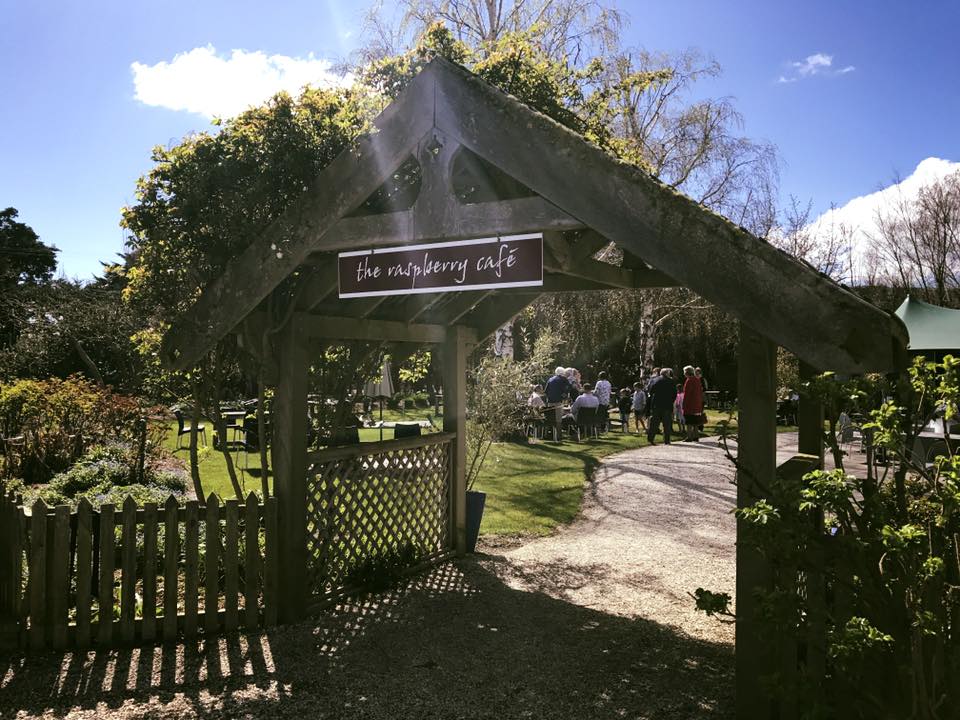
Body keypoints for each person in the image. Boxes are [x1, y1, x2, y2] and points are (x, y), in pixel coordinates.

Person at [646, 368, 677, 445]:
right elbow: (674, 394)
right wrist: (671, 401)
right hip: (667, 404)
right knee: (667, 423)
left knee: (654, 423)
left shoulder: (654, 380)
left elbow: (650, 391)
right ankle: (667, 440)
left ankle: (650, 439)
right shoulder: (671, 381)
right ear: (667, 373)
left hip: (656, 404)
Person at [681, 365, 704, 441]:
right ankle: (696, 436)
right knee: (695, 421)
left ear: (686, 372)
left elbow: (687, 394)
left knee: (689, 421)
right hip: (697, 403)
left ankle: (689, 436)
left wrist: (684, 404)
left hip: (690, 404)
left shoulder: (689, 380)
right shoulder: (697, 380)